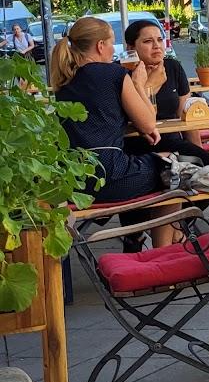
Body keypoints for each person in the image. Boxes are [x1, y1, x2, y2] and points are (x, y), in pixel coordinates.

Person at [50, 17, 177, 247]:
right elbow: (149, 123)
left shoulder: (64, 80)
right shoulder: (113, 74)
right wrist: (139, 84)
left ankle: (137, 239)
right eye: (112, 43)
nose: (113, 50)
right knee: (175, 173)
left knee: (158, 164)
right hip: (108, 177)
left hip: (73, 180)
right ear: (100, 46)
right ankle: (164, 253)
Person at [122, 19, 209, 166]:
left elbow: (185, 116)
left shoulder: (173, 67)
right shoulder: (121, 74)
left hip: (173, 144)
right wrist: (150, 85)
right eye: (147, 41)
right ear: (130, 48)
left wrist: (198, 153)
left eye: (160, 40)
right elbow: (129, 117)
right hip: (135, 148)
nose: (156, 46)